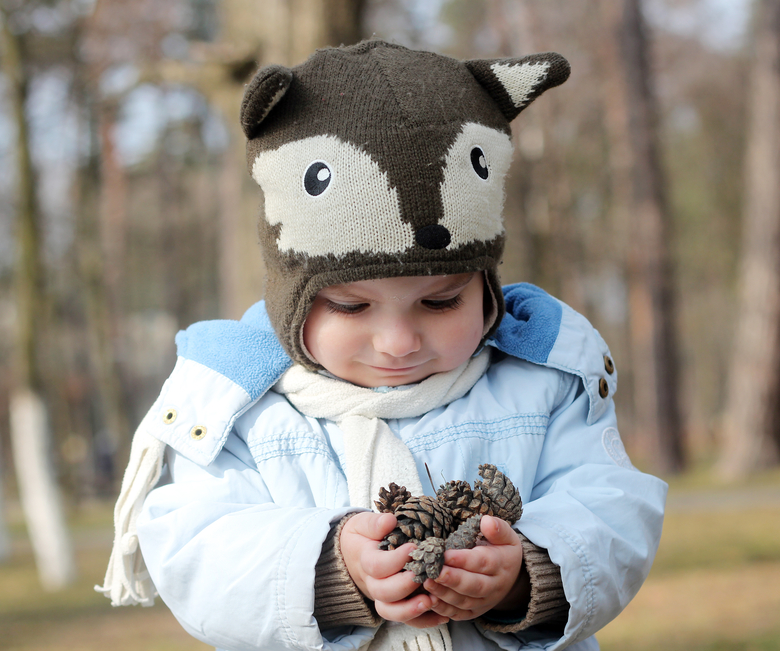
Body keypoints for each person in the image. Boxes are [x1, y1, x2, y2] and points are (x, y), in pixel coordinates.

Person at [97, 40, 667, 651]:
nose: (398, 341)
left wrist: (528, 572)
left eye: (442, 302)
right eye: (351, 306)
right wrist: (330, 569)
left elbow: (612, 509)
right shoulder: (246, 409)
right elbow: (201, 553)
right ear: (292, 298)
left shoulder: (539, 381)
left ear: (485, 289)